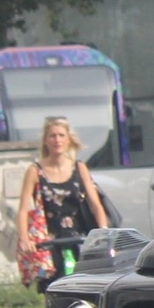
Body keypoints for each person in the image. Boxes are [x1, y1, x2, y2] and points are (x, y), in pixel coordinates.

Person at [17, 116, 110, 290]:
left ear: (68, 139)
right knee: (55, 289)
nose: (57, 140)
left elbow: (95, 204)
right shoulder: (35, 171)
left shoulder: (79, 167)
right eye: (52, 136)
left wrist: (103, 231)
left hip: (79, 237)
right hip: (50, 240)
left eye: (61, 135)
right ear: (45, 140)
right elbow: (23, 209)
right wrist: (24, 239)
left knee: (88, 287)